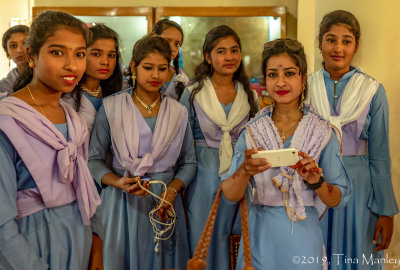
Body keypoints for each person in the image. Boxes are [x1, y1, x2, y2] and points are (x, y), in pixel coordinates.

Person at [221, 39, 351, 270]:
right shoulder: (251, 132)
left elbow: (338, 199)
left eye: (289, 73)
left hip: (303, 238)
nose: (280, 82)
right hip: (260, 238)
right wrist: (244, 172)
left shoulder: (322, 133)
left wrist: (317, 182)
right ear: (265, 80)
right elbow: (229, 196)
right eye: (272, 75)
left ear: (303, 78)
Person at [0, 10, 102, 270]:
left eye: (80, 54)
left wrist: (96, 244)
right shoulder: (7, 120)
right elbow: (2, 222)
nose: (72, 65)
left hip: (79, 233)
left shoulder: (72, 117)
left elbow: (85, 187)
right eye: (57, 52)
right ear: (32, 55)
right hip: (30, 240)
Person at [88, 34, 196, 270]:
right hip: (122, 201)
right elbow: (93, 161)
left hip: (165, 201)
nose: (156, 75)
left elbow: (189, 163)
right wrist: (119, 182)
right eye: (148, 68)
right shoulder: (112, 107)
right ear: (134, 67)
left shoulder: (178, 112)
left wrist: (172, 191)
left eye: (162, 68)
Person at [307, 10, 399, 269]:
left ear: (356, 46)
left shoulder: (372, 90)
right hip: (315, 184)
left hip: (360, 190)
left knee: (358, 256)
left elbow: (380, 155)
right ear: (319, 43)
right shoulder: (305, 87)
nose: (338, 48)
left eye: (346, 41)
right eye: (331, 39)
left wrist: (386, 211)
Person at [180, 25, 258, 269]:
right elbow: (183, 143)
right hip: (202, 176)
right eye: (221, 51)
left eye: (234, 50)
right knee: (202, 235)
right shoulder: (192, 94)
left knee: (233, 235)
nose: (229, 57)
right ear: (208, 56)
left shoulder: (250, 95)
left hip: (238, 173)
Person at [66, 24, 122, 133]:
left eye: (111, 55)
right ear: (81, 54)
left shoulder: (119, 94)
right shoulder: (66, 97)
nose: (105, 61)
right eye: (96, 54)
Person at [152, 19, 189, 100]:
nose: (172, 48)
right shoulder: (134, 72)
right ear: (153, 38)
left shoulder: (181, 78)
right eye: (167, 41)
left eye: (177, 44)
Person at [0, 25, 29, 95]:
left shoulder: (48, 77)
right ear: (8, 54)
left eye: (25, 43)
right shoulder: (3, 88)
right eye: (13, 46)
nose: (19, 50)